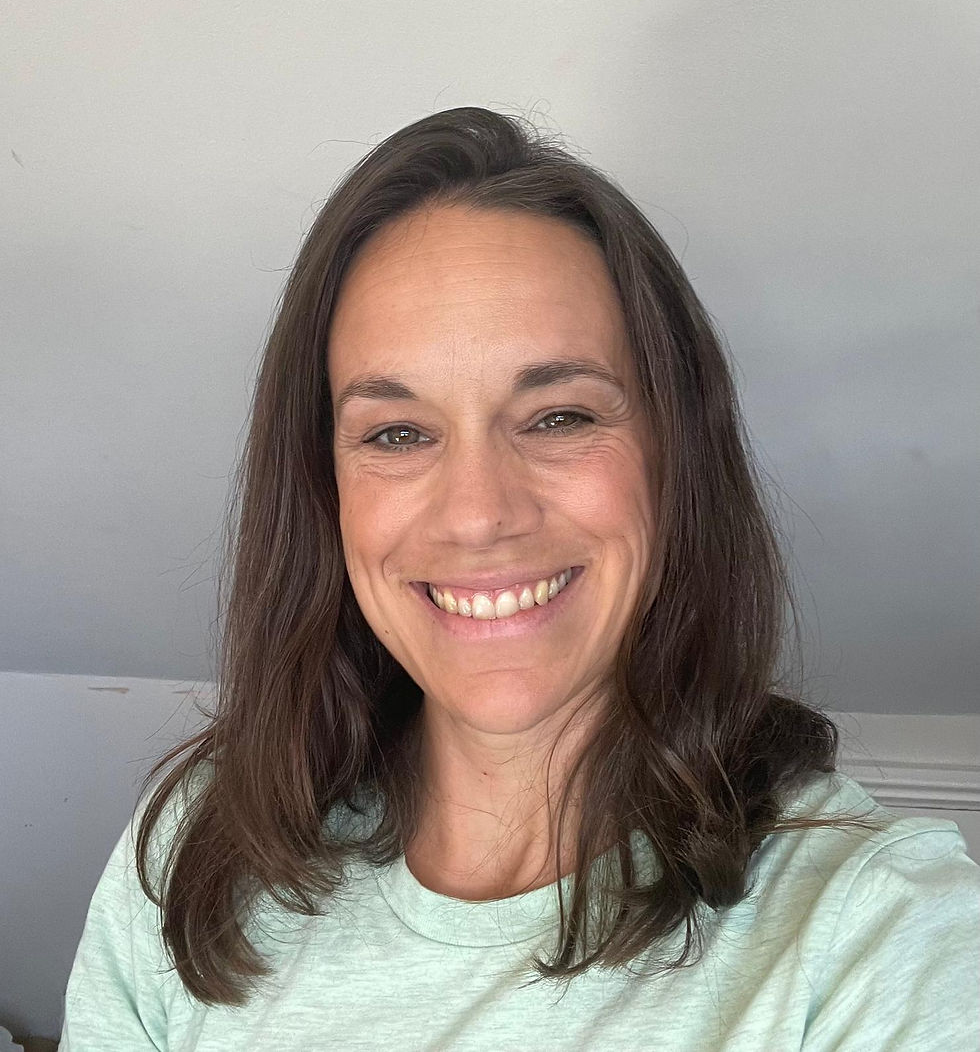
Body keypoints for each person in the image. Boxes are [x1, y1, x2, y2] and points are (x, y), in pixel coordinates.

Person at [61, 107, 979, 1050]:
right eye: (397, 433)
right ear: (324, 485)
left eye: (559, 417)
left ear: (676, 457)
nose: (478, 512)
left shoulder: (882, 931)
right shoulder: (195, 847)